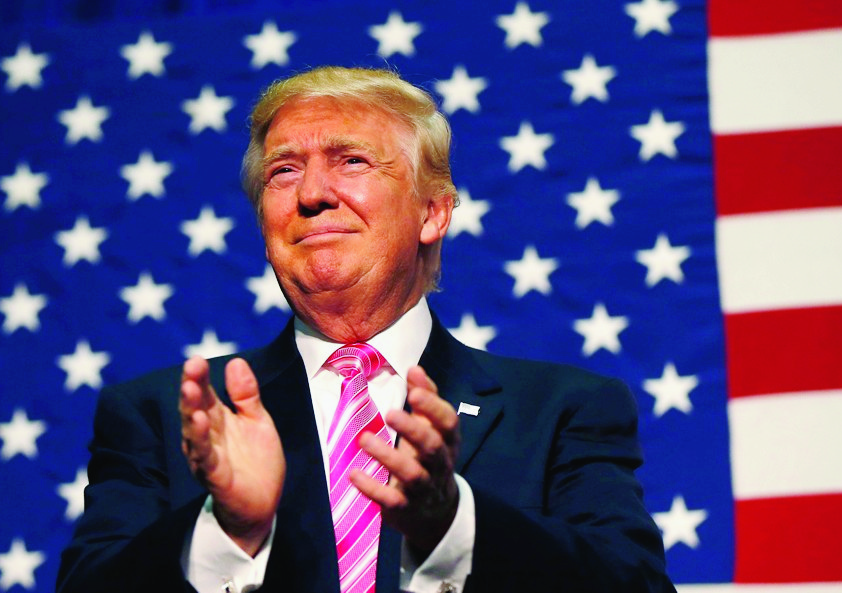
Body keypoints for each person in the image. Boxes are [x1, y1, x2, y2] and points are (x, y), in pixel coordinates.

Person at [57, 66, 675, 593]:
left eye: (350, 161)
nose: (313, 194)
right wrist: (228, 529)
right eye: (283, 172)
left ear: (432, 212)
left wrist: (453, 526)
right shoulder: (165, 415)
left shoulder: (562, 411)